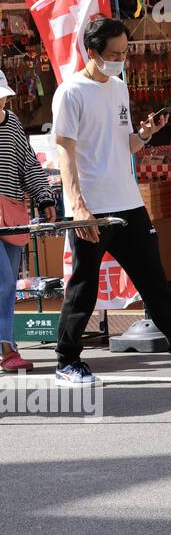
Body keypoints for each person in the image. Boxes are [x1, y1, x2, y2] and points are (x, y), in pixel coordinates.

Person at [51, 18, 171, 386]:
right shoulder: (70, 93)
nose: (120, 60)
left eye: (124, 53)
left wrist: (146, 134)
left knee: (155, 282)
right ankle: (66, 361)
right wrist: (78, 206)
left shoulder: (118, 88)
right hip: (92, 207)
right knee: (83, 287)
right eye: (113, 54)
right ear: (92, 52)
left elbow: (125, 144)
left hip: (128, 201)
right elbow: (64, 151)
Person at [0, 69, 56, 373]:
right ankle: (8, 350)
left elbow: (28, 163)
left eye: (2, 100)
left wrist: (45, 196)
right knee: (5, 282)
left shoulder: (12, 125)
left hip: (10, 216)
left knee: (6, 283)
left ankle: (7, 347)